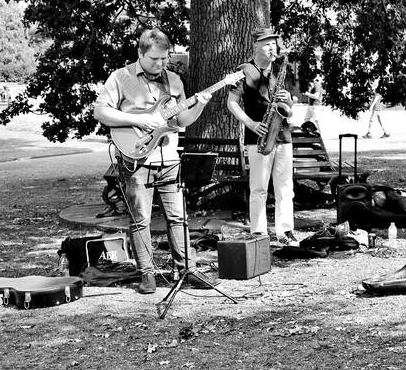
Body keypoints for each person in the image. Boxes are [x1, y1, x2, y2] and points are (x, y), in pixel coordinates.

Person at [94, 28, 216, 295]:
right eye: (154, 59)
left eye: (164, 59)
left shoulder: (173, 80)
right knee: (141, 220)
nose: (160, 64)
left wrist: (200, 106)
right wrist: (138, 119)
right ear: (140, 53)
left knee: (178, 217)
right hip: (137, 161)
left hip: (169, 158)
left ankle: (186, 269)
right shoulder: (121, 77)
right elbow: (100, 111)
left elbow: (180, 120)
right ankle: (146, 274)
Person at [226, 28, 297, 246]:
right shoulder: (244, 70)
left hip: (283, 134)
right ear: (255, 46)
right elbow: (231, 102)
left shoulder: (282, 69)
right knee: (259, 188)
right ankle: (259, 232)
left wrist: (289, 102)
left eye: (274, 43)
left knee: (286, 187)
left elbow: (291, 108)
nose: (272, 47)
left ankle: (285, 231)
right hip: (258, 136)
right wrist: (251, 123)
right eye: (266, 43)